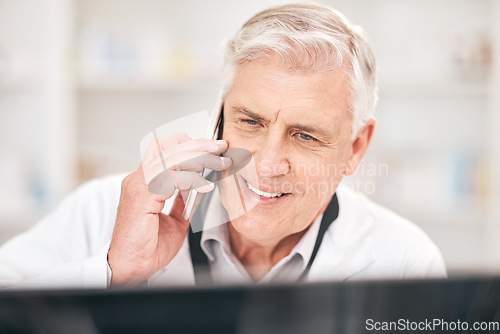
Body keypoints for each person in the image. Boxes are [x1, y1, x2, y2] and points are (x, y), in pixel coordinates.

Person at [0, 2, 446, 289]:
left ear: (355, 148)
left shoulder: (404, 259)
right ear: (218, 116)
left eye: (305, 135)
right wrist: (114, 273)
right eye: (250, 121)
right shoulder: (99, 212)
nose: (267, 164)